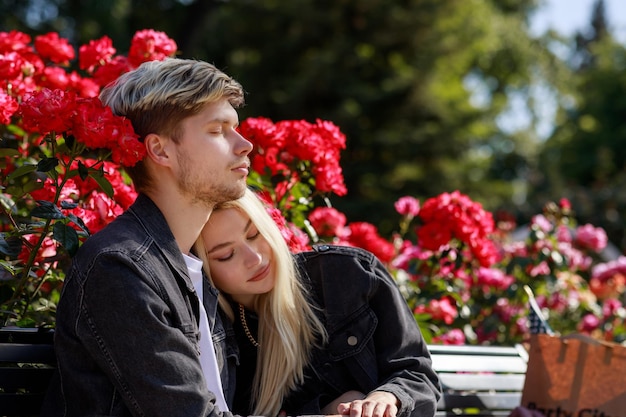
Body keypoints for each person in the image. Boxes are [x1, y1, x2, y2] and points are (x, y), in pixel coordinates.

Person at [41, 58, 253, 417]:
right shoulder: (120, 268)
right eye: (218, 131)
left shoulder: (188, 267)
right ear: (160, 150)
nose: (244, 144)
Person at [194, 188, 442, 417]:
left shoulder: (349, 275)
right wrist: (326, 410)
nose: (254, 258)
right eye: (226, 255)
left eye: (254, 234)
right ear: (203, 269)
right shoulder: (215, 331)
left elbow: (417, 373)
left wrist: (387, 396)